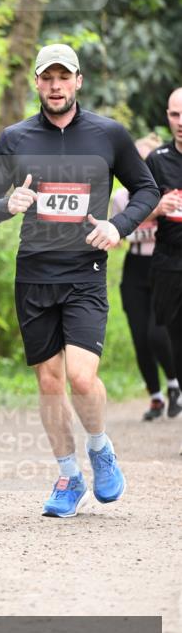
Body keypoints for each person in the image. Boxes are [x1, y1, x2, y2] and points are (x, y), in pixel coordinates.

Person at [0, 43, 160, 517]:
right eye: (47, 77)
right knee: (50, 381)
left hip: (84, 271)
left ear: (78, 81)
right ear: (37, 82)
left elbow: (146, 189)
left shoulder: (108, 134)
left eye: (64, 77)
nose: (55, 86)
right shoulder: (15, 138)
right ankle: (69, 477)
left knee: (80, 376)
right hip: (34, 273)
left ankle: (99, 447)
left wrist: (118, 226)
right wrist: (5, 205)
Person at [111, 135, 180, 421]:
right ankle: (155, 396)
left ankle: (174, 384)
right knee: (140, 336)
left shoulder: (171, 191)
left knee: (158, 332)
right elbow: (118, 233)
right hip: (135, 267)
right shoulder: (120, 198)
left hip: (163, 263)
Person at [145, 87, 182, 418]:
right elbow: (133, 213)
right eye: (175, 114)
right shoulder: (157, 160)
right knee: (173, 338)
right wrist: (157, 208)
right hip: (170, 261)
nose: (181, 122)